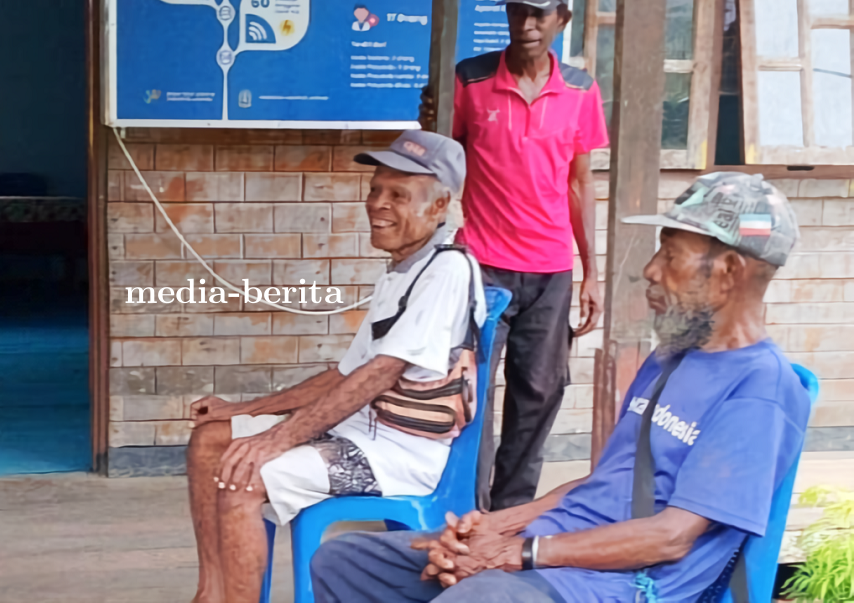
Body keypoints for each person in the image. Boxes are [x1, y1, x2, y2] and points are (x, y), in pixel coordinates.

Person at [310, 172, 810, 603]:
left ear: (729, 273)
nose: (650, 270)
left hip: (625, 583)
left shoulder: (760, 391)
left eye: (672, 255)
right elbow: (603, 481)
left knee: (476, 596)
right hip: (558, 548)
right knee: (349, 560)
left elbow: (671, 537)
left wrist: (515, 555)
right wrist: (494, 526)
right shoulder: (672, 358)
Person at [183, 131, 488, 603]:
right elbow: (345, 375)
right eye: (375, 190)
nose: (377, 204)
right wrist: (241, 409)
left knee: (244, 474)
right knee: (210, 440)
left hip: (400, 455)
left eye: (398, 195)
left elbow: (379, 374)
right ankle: (211, 592)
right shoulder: (404, 269)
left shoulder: (446, 270)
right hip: (359, 433)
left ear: (439, 206)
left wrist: (274, 440)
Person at [420, 0, 610, 511]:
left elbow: (579, 183)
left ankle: (508, 514)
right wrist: (425, 119)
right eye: (518, 11)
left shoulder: (580, 89)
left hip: (550, 272)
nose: (527, 21)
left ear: (561, 18)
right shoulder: (471, 79)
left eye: (540, 12)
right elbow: (440, 162)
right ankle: (465, 509)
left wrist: (591, 272)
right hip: (482, 265)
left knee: (540, 395)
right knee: (469, 394)